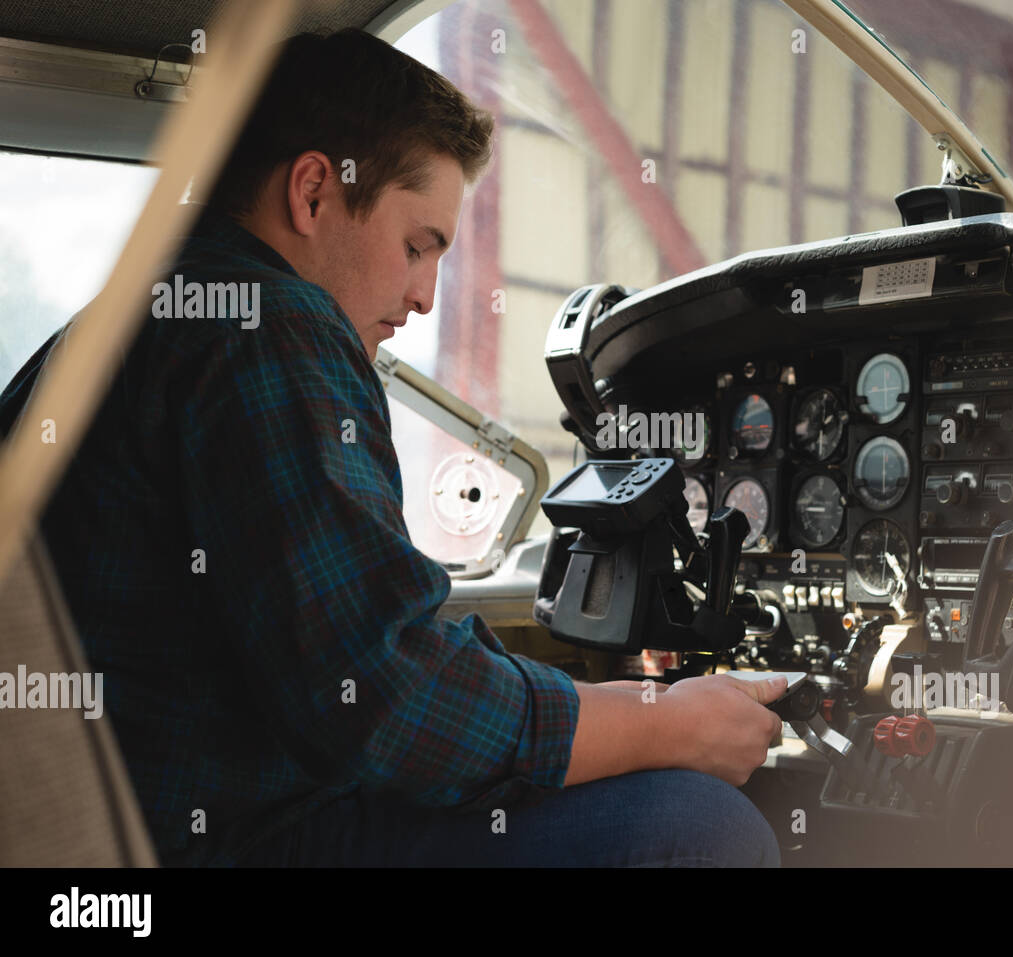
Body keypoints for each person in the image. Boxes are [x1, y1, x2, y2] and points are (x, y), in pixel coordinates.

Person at [0, 28, 784, 867]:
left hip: (150, 823)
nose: (424, 295)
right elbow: (385, 697)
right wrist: (657, 721)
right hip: (220, 840)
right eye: (418, 245)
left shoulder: (126, 324)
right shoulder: (269, 326)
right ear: (312, 191)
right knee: (697, 827)